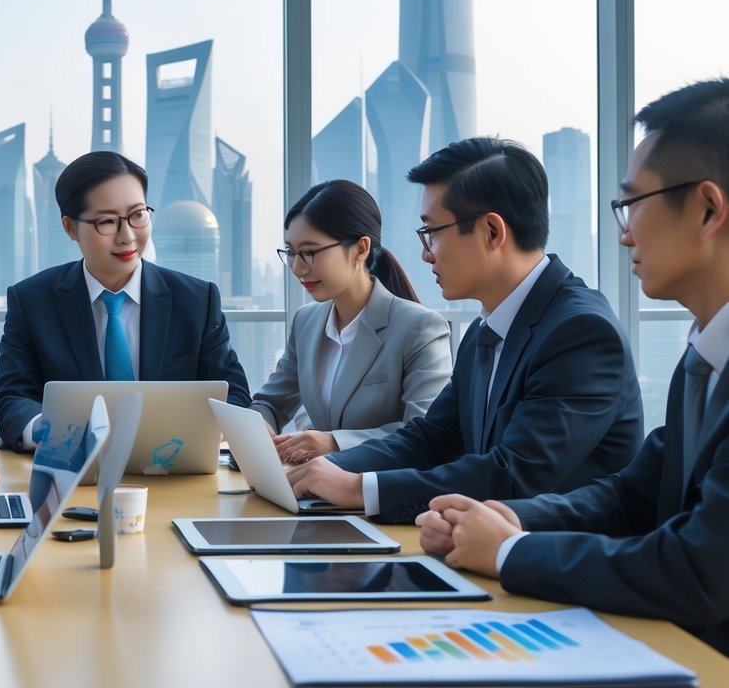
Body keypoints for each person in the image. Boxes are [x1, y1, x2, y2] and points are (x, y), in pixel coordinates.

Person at [418, 79, 729, 655]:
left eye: (633, 204)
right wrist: (501, 518)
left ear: (708, 209)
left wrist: (509, 551)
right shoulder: (704, 356)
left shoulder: (583, 328)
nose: (625, 232)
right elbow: (631, 496)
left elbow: (699, 568)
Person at [287, 137, 643, 523]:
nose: (426, 253)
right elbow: (431, 439)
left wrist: (357, 488)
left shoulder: (580, 332)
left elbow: (513, 474)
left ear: (492, 231)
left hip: (558, 566)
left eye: (433, 232)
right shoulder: (483, 331)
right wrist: (325, 469)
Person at [0, 151, 251, 451]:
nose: (127, 236)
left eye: (137, 215)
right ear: (70, 228)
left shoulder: (196, 300)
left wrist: (202, 436)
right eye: (107, 222)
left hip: (172, 466)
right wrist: (51, 434)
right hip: (71, 472)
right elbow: (11, 397)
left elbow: (235, 395)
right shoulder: (32, 301)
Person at [251, 180, 452, 463]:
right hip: (310, 492)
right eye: (291, 253)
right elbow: (270, 401)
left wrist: (335, 443)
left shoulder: (420, 327)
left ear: (360, 249)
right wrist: (260, 424)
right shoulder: (306, 323)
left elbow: (426, 432)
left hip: (379, 495)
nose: (297, 268)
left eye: (309, 252)